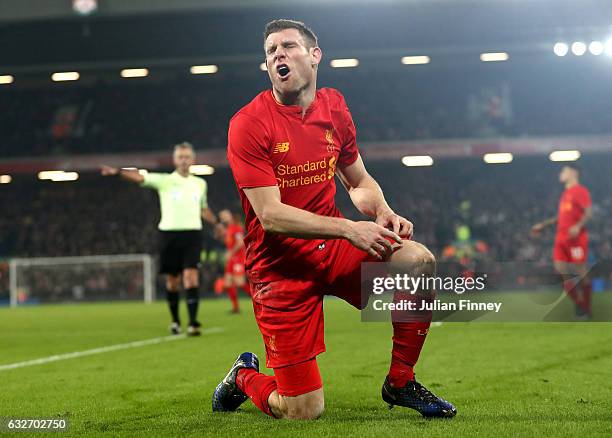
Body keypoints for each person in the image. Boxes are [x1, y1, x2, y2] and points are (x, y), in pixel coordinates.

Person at [212, 19, 456, 419]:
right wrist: (349, 228)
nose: (278, 55)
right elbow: (270, 216)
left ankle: (400, 381)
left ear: (314, 55)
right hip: (280, 271)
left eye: (287, 46)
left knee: (418, 261)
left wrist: (382, 210)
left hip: (333, 251)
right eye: (270, 51)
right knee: (302, 411)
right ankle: (242, 377)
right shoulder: (249, 124)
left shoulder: (334, 107)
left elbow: (357, 179)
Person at [101, 142, 217, 335]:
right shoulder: (164, 180)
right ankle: (175, 320)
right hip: (169, 234)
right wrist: (118, 172)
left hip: (193, 234)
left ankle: (193, 322)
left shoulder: (200, 183)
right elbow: (140, 176)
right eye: (180, 157)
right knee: (173, 281)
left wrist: (216, 224)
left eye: (187, 156)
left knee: (191, 277)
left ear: (193, 159)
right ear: (174, 160)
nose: (184, 160)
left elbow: (203, 209)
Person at [532, 163, 592, 319]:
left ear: (573, 173)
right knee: (561, 273)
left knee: (581, 272)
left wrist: (578, 226)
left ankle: (586, 307)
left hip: (575, 238)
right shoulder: (566, 193)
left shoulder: (580, 191)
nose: (560, 173)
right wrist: (543, 225)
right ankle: (580, 306)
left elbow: (589, 212)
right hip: (561, 238)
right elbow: (561, 217)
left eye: (563, 171)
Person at [217, 209, 249, 313]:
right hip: (232, 259)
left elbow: (240, 243)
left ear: (230, 215)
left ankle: (259, 299)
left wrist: (230, 252)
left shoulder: (236, 228)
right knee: (228, 283)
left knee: (240, 283)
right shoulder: (228, 229)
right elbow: (230, 242)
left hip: (238, 258)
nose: (223, 218)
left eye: (225, 215)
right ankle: (236, 308)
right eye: (222, 217)